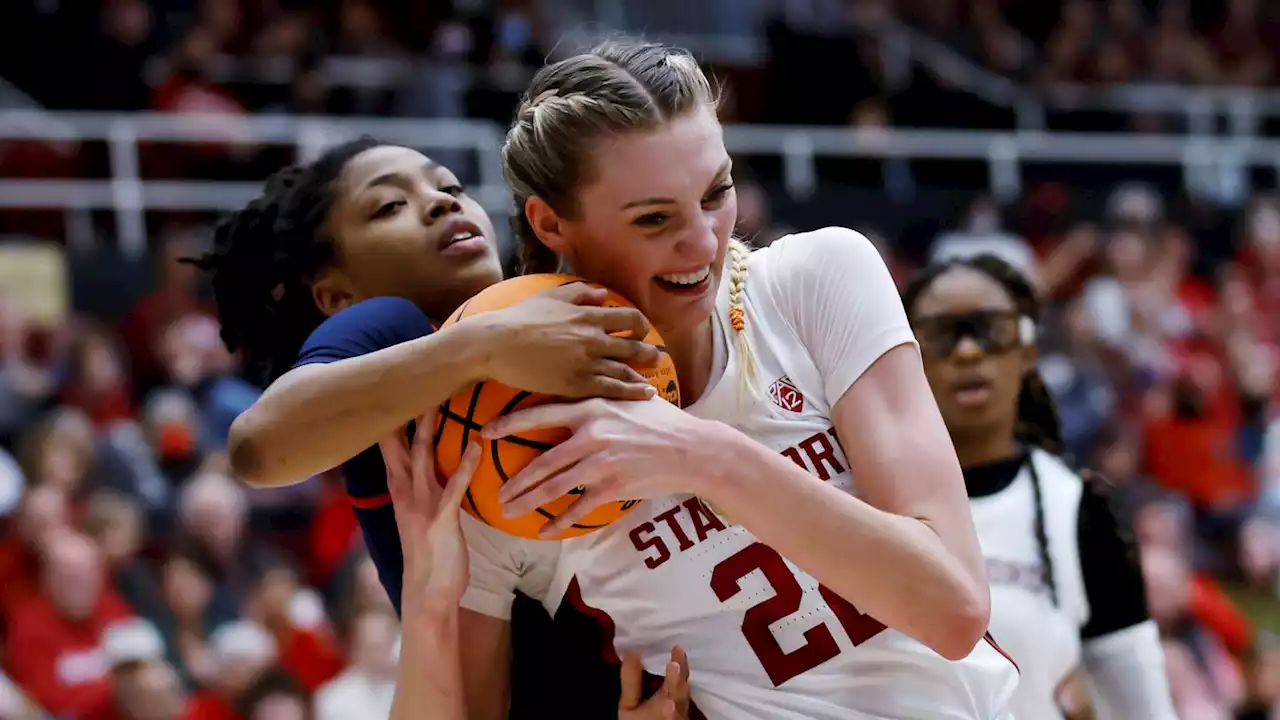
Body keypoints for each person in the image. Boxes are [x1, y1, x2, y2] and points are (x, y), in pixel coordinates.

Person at [449, 39, 1017, 719]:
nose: (704, 242)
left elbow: (953, 609)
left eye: (717, 192)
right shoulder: (504, 440)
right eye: (655, 218)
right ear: (551, 223)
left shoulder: (815, 282)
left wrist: (703, 456)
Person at [191, 137, 686, 717]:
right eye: (388, 207)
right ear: (336, 293)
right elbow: (258, 447)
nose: (439, 203)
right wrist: (484, 347)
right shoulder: (393, 324)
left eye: (448, 187)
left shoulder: (557, 311)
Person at [901, 254, 1176, 720]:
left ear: (1028, 349)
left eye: (991, 329)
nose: (969, 351)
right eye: (944, 333)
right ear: (908, 352)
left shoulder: (1082, 508)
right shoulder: (861, 495)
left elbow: (1142, 704)